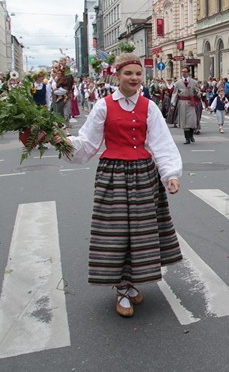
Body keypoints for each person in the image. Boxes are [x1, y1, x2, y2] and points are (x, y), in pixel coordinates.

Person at [51, 53, 183, 318]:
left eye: (137, 74)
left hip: (144, 174)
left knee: (141, 232)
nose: (134, 78)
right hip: (113, 175)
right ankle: (121, 287)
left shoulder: (149, 106)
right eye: (128, 74)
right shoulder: (103, 105)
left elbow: (161, 142)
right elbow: (88, 144)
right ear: (117, 76)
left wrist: (171, 174)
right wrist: (60, 142)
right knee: (116, 232)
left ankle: (130, 282)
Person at [173, 67, 201, 144]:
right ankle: (187, 138)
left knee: (191, 120)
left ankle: (191, 135)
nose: (183, 73)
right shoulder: (178, 83)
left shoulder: (194, 82)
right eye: (182, 72)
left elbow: (197, 92)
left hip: (191, 102)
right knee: (184, 121)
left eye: (185, 72)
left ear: (189, 73)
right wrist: (173, 103)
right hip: (182, 103)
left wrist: (199, 96)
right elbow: (174, 94)